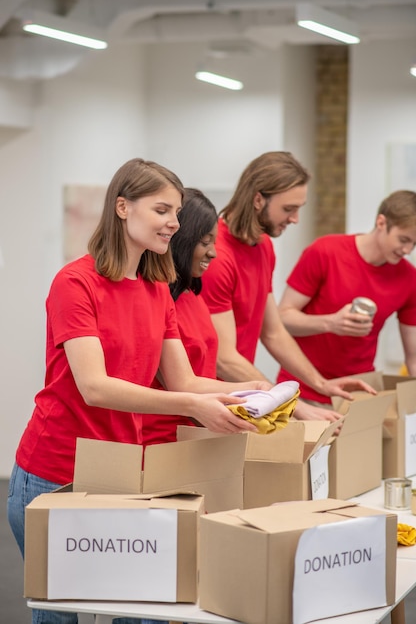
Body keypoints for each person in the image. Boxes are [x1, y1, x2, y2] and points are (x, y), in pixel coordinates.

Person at [7, 158, 272, 624]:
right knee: (60, 615)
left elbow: (184, 380)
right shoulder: (75, 282)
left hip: (121, 470)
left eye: (175, 213)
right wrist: (193, 404)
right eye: (162, 210)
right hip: (55, 471)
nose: (174, 222)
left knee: (136, 604)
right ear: (123, 208)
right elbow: (95, 387)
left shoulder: (156, 286)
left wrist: (245, 391)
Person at [201, 151, 375, 422]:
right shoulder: (217, 257)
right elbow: (223, 359)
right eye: (288, 209)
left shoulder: (263, 246)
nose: (295, 219)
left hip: (241, 397)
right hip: (210, 402)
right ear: (258, 199)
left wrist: (320, 384)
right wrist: (292, 405)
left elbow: (273, 333)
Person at [276, 189, 416, 403]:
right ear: (381, 223)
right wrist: (331, 323)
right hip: (300, 390)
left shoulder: (410, 279)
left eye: (414, 244)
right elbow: (283, 318)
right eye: (403, 239)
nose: (407, 250)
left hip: (358, 394)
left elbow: (414, 359)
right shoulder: (325, 252)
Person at [141, 187, 219, 446]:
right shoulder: (155, 297)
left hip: (198, 436)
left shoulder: (193, 295)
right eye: (205, 242)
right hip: (161, 443)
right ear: (183, 240)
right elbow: (181, 384)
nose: (213, 252)